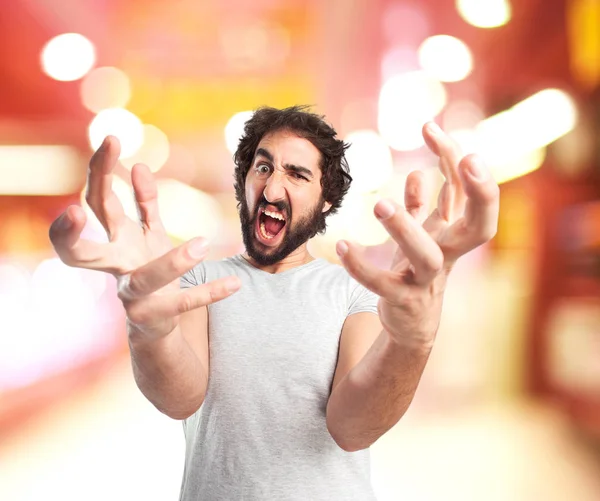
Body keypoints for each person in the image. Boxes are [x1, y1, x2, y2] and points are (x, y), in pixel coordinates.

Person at [49, 105, 499, 500]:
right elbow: (180, 396)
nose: (272, 186)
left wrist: (412, 340)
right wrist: (150, 330)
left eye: (297, 174)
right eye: (262, 167)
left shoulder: (353, 290)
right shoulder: (199, 279)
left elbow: (353, 426)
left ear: (325, 202)